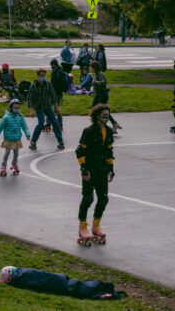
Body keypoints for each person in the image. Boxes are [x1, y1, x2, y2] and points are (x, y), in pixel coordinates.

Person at [75, 103, 116, 245]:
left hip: (102, 168)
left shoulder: (109, 131)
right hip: (90, 168)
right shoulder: (88, 131)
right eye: (104, 115)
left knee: (103, 198)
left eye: (108, 115)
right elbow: (79, 151)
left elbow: (110, 150)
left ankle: (96, 225)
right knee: (88, 198)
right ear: (97, 115)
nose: (106, 117)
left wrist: (111, 168)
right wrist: (84, 169)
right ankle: (82, 227)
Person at [27, 68, 64, 151]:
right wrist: (31, 110)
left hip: (47, 106)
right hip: (38, 107)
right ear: (38, 76)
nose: (43, 77)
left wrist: (56, 106)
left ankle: (60, 140)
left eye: (44, 76)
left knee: (54, 121)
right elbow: (29, 98)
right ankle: (33, 141)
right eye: (41, 76)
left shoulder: (48, 84)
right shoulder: (34, 85)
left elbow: (53, 95)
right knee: (41, 123)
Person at [0, 98, 31, 177]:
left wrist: (27, 134)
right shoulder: (6, 117)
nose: (17, 110)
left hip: (17, 139)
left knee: (16, 153)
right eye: (15, 108)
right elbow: (0, 127)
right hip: (8, 139)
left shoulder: (20, 117)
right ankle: (3, 166)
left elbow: (25, 126)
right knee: (7, 152)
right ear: (11, 108)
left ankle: (14, 164)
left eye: (18, 108)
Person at [90, 60, 122, 133]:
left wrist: (99, 83)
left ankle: (108, 125)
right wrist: (92, 89)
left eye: (91, 67)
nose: (90, 68)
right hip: (97, 95)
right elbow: (94, 84)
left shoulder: (101, 74)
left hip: (102, 95)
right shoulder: (95, 74)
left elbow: (103, 82)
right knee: (93, 109)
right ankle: (111, 123)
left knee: (102, 111)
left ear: (95, 67)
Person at [49, 58, 70, 131]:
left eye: (52, 65)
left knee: (56, 109)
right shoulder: (54, 72)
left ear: (55, 64)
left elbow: (59, 84)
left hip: (57, 93)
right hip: (52, 93)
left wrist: (57, 90)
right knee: (48, 108)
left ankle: (59, 124)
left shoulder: (59, 72)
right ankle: (48, 123)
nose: (51, 66)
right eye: (51, 65)